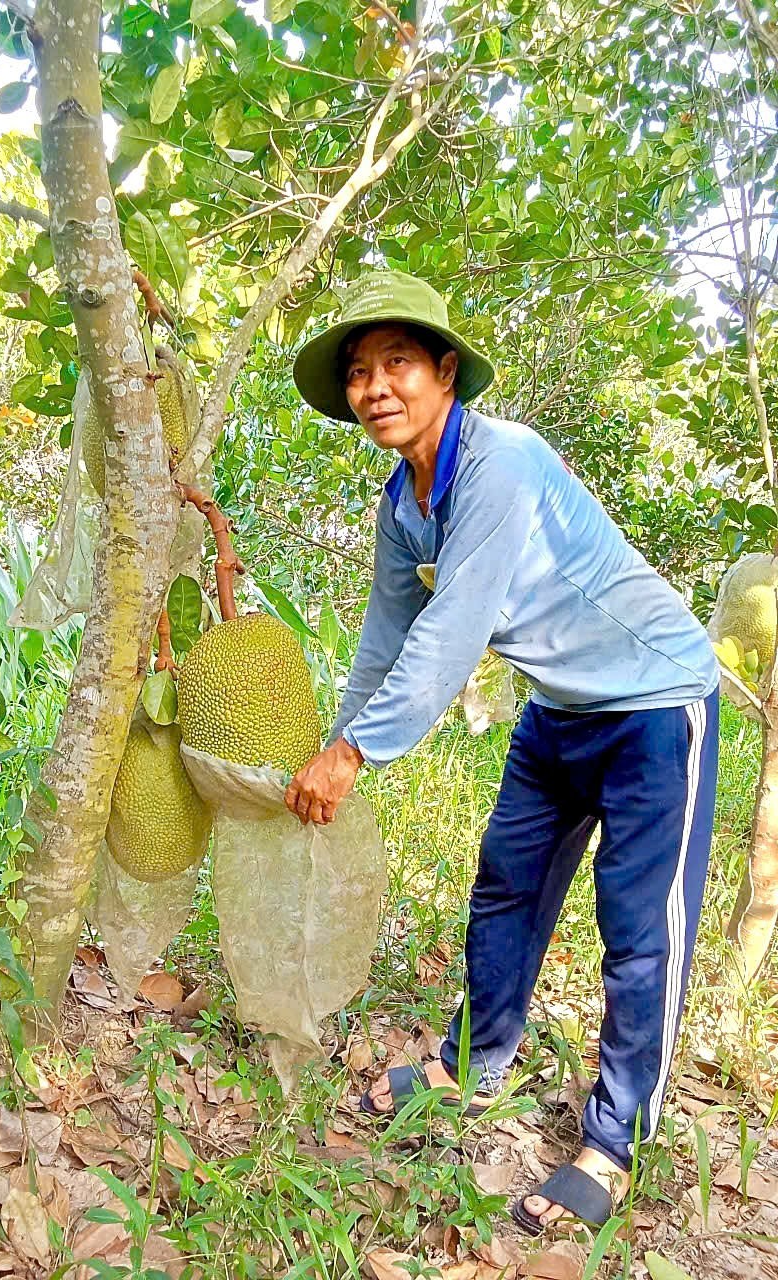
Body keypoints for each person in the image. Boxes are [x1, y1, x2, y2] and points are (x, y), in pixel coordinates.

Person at [284, 270, 720, 1236]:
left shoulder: (503, 461)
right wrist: (338, 741)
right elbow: (385, 638)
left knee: (641, 936)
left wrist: (355, 755)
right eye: (359, 371)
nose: (375, 388)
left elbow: (452, 633)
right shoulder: (404, 505)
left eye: (398, 362)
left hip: (654, 702)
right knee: (507, 884)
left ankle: (612, 1146)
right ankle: (470, 1068)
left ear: (445, 372)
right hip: (559, 710)